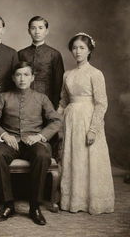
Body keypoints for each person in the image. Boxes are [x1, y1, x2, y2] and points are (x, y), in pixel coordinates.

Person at [0, 61, 62, 225]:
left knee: (42, 155)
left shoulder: (41, 98)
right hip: (11, 141)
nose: (22, 79)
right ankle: (8, 204)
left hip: (34, 141)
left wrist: (40, 136)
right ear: (13, 78)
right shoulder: (4, 97)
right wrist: (4, 135)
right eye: (18, 75)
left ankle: (35, 207)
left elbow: (56, 121)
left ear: (32, 78)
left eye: (26, 75)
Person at [57, 33, 115, 214]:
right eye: (74, 48)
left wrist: (93, 129)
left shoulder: (95, 74)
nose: (77, 51)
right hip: (71, 119)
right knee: (73, 158)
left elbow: (101, 103)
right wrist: (55, 122)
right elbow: (63, 102)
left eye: (82, 48)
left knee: (89, 158)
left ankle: (92, 201)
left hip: (88, 118)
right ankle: (73, 200)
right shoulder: (68, 74)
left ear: (89, 50)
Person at [18, 16, 64, 109]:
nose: (37, 31)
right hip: (24, 99)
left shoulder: (54, 54)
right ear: (28, 31)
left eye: (40, 28)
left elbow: (59, 83)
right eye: (33, 28)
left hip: (47, 99)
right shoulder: (21, 53)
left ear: (46, 31)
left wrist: (54, 105)